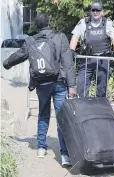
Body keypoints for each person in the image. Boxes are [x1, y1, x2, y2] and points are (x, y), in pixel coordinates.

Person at [3, 13, 76, 167]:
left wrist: (6, 63)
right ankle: (64, 155)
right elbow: (68, 63)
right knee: (61, 117)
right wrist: (72, 86)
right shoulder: (60, 36)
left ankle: (41, 148)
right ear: (49, 22)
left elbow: (20, 55)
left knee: (43, 115)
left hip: (41, 84)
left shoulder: (31, 40)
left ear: (36, 25)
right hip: (59, 83)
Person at [70, 2, 114, 97]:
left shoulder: (108, 23)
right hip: (87, 59)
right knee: (81, 87)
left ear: (101, 11)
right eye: (93, 10)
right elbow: (75, 36)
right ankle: (82, 108)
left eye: (98, 10)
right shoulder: (84, 22)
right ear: (91, 11)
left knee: (101, 88)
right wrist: (71, 50)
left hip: (103, 59)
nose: (95, 12)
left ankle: (100, 109)